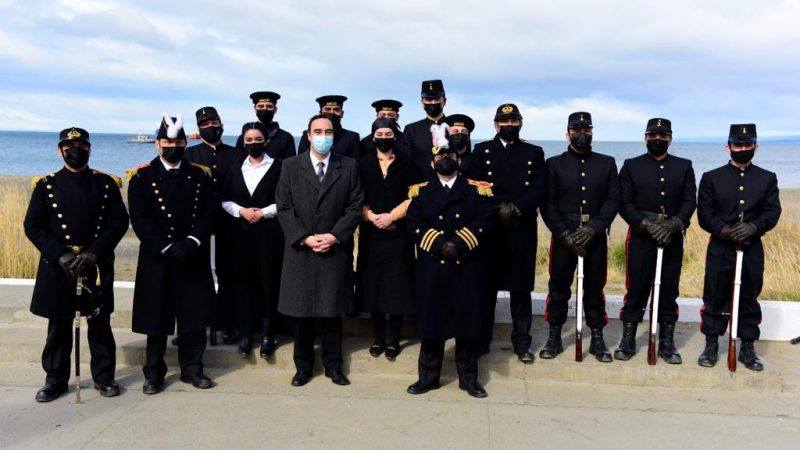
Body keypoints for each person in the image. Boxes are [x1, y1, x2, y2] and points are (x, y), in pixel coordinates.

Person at [24, 127, 129, 402]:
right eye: (69, 146)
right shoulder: (46, 185)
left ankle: (104, 377)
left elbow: (118, 222)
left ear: (90, 149)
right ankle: (55, 380)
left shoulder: (105, 184)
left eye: (81, 145)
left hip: (95, 264)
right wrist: (61, 255)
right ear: (60, 150)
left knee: (99, 324)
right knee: (58, 327)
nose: (75, 150)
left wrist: (94, 253)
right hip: (59, 266)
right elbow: (33, 226)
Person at [127, 114, 217, 393]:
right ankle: (153, 373)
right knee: (156, 319)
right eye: (167, 141)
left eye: (178, 141)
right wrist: (165, 246)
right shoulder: (141, 176)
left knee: (194, 317)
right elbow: (140, 219)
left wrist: (191, 241)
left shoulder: (200, 174)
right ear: (157, 144)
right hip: (158, 257)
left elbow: (209, 212)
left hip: (192, 253)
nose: (173, 146)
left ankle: (193, 369)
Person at [276, 114, 364, 387]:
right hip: (302, 251)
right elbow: (284, 206)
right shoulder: (291, 166)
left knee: (331, 314)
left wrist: (335, 235)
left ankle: (333, 366)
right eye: (318, 131)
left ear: (334, 136)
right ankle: (302, 367)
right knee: (301, 315)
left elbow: (354, 205)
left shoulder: (348, 166)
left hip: (333, 249)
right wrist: (303, 237)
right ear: (307, 135)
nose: (323, 135)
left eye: (328, 131)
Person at [405, 141, 494, 398]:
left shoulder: (478, 191)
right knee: (431, 326)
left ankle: (469, 380)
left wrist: (458, 243)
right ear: (432, 164)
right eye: (440, 156)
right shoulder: (420, 192)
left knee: (467, 326)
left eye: (450, 155)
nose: (446, 159)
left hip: (466, 267)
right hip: (433, 267)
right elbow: (413, 225)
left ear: (460, 161)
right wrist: (440, 244)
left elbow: (484, 220)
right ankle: (428, 378)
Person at [696, 124, 781, 371]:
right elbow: (705, 213)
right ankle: (711, 345)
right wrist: (724, 230)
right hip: (721, 248)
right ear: (728, 147)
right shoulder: (711, 177)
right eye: (737, 144)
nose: (742, 149)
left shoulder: (767, 178)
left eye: (747, 145)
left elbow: (772, 211)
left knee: (749, 296)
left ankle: (747, 348)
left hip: (752, 247)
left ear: (756, 146)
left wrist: (753, 228)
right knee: (714, 294)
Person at [467, 104, 548, 363]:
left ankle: (522, 343)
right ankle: (481, 340)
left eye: (514, 121)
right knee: (485, 288)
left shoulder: (534, 152)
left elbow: (539, 188)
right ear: (495, 124)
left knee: (520, 289)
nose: (509, 125)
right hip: (490, 229)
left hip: (521, 227)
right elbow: (473, 186)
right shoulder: (482, 151)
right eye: (505, 121)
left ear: (521, 124)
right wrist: (496, 208)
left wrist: (516, 207)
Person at [615, 118, 696, 363]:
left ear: (670, 139)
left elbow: (689, 201)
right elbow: (624, 202)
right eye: (652, 136)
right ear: (645, 138)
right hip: (641, 235)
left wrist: (674, 224)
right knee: (636, 288)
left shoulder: (684, 166)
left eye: (662, 136)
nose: (657, 140)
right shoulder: (631, 166)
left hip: (672, 235)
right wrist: (645, 224)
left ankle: (667, 344)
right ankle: (628, 340)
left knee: (669, 289)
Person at [541, 112, 620, 362]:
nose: (582, 133)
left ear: (592, 132)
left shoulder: (607, 163)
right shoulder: (554, 164)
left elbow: (612, 200)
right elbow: (547, 204)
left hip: (594, 235)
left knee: (595, 289)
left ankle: (597, 337)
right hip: (564, 235)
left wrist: (593, 229)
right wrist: (565, 234)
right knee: (558, 287)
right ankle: (554, 336)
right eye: (577, 130)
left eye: (586, 129)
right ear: (567, 133)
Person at [356, 118, 424, 359]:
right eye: (379, 133)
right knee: (374, 286)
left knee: (397, 287)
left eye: (388, 133)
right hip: (371, 233)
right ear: (373, 136)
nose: (384, 138)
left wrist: (391, 216)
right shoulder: (363, 164)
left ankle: (394, 340)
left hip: (398, 233)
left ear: (395, 136)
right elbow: (356, 197)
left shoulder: (408, 164)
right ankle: (378, 338)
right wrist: (372, 216)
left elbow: (415, 195)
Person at [221, 122, 284, 358]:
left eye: (258, 139)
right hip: (240, 234)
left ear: (266, 141)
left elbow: (286, 199)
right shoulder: (234, 167)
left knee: (268, 284)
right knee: (243, 284)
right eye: (249, 140)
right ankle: (246, 334)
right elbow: (224, 199)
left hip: (269, 233)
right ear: (243, 142)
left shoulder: (280, 166)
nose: (253, 143)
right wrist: (242, 211)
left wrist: (263, 212)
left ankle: (268, 333)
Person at [185, 106, 239, 345]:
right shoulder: (189, 154)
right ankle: (195, 323)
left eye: (214, 122)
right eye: (205, 124)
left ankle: (228, 323)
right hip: (200, 223)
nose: (210, 127)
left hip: (230, 223)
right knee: (197, 275)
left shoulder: (235, 153)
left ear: (221, 124)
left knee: (229, 273)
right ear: (199, 128)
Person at [397, 79, 447, 173]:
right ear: (422, 103)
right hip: (422, 182)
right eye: (428, 99)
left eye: (437, 99)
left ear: (444, 101)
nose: (433, 102)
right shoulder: (411, 130)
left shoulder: (455, 127)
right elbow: (407, 161)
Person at [235, 91, 297, 159]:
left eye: (269, 106)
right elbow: (238, 162)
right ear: (255, 109)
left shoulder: (286, 138)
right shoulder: (243, 138)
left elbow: (290, 165)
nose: (265, 109)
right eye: (261, 106)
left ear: (275, 110)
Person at [297, 95, 361, 158]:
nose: (332, 113)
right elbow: (300, 162)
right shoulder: (308, 135)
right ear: (320, 112)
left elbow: (355, 165)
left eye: (336, 110)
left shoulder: (352, 138)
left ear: (342, 113)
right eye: (327, 109)